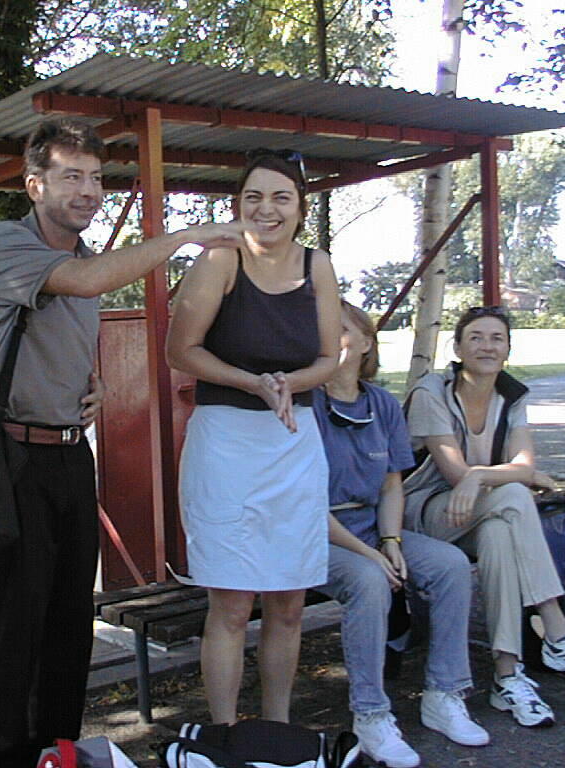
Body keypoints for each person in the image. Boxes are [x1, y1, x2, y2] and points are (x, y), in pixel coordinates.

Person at [0, 117, 246, 768]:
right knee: (17, 618)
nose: (89, 190)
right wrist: (187, 235)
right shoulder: (7, 241)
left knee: (70, 617)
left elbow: (68, 321)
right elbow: (85, 283)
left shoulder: (88, 255)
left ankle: (59, 750)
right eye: (72, 176)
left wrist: (88, 386)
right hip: (12, 457)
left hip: (70, 453)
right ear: (35, 185)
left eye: (96, 178)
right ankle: (3, 756)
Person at [165, 149, 341, 724]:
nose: (267, 210)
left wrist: (289, 383)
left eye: (281, 197)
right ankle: (224, 735)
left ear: (300, 208)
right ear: (238, 205)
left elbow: (329, 357)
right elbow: (180, 350)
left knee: (288, 605)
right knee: (233, 606)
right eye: (253, 198)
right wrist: (253, 383)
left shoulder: (318, 266)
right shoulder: (219, 260)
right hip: (225, 448)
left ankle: (276, 732)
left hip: (294, 444)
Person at [403, 305, 565, 729]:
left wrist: (483, 475)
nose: (486, 346)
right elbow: (459, 473)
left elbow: (523, 465)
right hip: (424, 513)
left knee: (501, 535)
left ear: (507, 348)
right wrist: (496, 476)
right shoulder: (432, 392)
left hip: (483, 510)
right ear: (457, 348)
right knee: (515, 495)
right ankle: (557, 629)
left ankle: (506, 676)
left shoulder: (512, 396)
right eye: (475, 337)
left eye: (496, 338)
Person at [311, 301, 488, 768]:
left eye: (341, 329)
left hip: (373, 526)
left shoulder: (383, 404)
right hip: (316, 534)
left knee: (450, 565)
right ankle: (370, 715)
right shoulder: (305, 403)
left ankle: (444, 694)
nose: (328, 336)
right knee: (370, 581)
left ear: (366, 343)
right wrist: (371, 555)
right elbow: (306, 503)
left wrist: (389, 542)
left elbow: (392, 485)